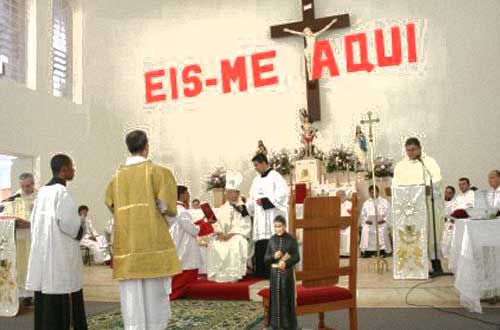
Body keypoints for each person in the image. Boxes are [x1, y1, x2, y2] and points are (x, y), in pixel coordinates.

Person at [105, 130, 181, 330]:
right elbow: (168, 207)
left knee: (132, 298)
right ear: (146, 146)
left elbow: (111, 204)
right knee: (155, 297)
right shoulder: (158, 172)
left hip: (127, 244)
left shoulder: (116, 178)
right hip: (152, 244)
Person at [26, 154, 87, 329]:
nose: (74, 170)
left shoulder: (42, 193)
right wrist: (82, 221)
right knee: (62, 294)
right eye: (72, 167)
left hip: (44, 257)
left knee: (46, 299)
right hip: (60, 258)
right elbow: (71, 226)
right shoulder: (62, 193)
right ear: (64, 169)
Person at [392, 137, 444, 274]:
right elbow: (395, 185)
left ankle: (435, 264)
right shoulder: (401, 166)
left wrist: (428, 188)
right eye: (408, 150)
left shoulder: (428, 163)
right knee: (410, 235)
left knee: (430, 234)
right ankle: (411, 267)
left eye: (413, 149)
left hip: (426, 206)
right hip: (409, 210)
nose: (410, 153)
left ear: (420, 148)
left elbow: (437, 181)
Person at [248, 153, 289, 279]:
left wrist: (265, 201)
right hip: (260, 219)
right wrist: (248, 205)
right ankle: (261, 271)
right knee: (261, 244)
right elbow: (251, 197)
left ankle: (274, 272)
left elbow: (282, 195)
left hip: (272, 216)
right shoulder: (256, 180)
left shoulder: (276, 177)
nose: (255, 168)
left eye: (256, 165)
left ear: (263, 163)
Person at [168, 185, 214, 299]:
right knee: (184, 274)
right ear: (182, 194)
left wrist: (202, 222)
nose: (189, 195)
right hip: (184, 246)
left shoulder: (175, 209)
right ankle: (171, 295)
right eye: (187, 193)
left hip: (180, 241)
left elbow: (188, 225)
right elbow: (192, 230)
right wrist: (207, 224)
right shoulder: (181, 211)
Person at [1, 173, 38, 310]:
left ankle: (37, 294)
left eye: (28, 185)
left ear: (33, 184)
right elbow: (7, 217)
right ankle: (24, 296)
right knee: (21, 267)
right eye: (23, 186)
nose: (26, 189)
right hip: (20, 239)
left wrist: (30, 223)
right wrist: (14, 222)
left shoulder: (40, 198)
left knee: (33, 266)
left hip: (35, 238)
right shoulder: (15, 199)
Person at [207, 170, 251, 282]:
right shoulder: (222, 208)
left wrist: (230, 234)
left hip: (237, 235)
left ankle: (233, 274)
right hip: (224, 235)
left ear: (237, 193)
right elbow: (217, 223)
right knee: (215, 243)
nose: (230, 194)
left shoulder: (242, 208)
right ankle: (219, 274)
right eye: (228, 192)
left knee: (236, 243)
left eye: (232, 192)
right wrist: (220, 233)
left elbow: (245, 225)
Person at [264, 215, 300, 330]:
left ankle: (288, 325)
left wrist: (286, 263)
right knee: (275, 299)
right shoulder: (271, 240)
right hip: (274, 276)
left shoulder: (291, 239)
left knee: (286, 299)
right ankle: (275, 325)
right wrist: (273, 256)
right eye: (275, 227)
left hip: (287, 276)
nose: (278, 229)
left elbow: (296, 257)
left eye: (280, 226)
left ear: (284, 226)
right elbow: (265, 259)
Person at [359, 185, 392, 258]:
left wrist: (384, 220)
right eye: (371, 192)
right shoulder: (366, 203)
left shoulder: (384, 202)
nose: (373, 193)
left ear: (378, 192)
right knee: (365, 229)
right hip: (370, 223)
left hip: (381, 223)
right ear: (369, 193)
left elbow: (389, 213)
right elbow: (363, 215)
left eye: (374, 191)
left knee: (383, 229)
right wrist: (366, 221)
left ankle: (384, 250)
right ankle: (367, 251)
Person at [336, 190, 352, 257]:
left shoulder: (350, 204)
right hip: (337, 225)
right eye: (338, 195)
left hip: (348, 225)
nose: (340, 197)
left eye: (342, 195)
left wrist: (347, 224)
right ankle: (339, 253)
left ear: (345, 195)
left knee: (348, 232)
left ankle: (347, 253)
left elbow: (353, 215)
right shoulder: (334, 204)